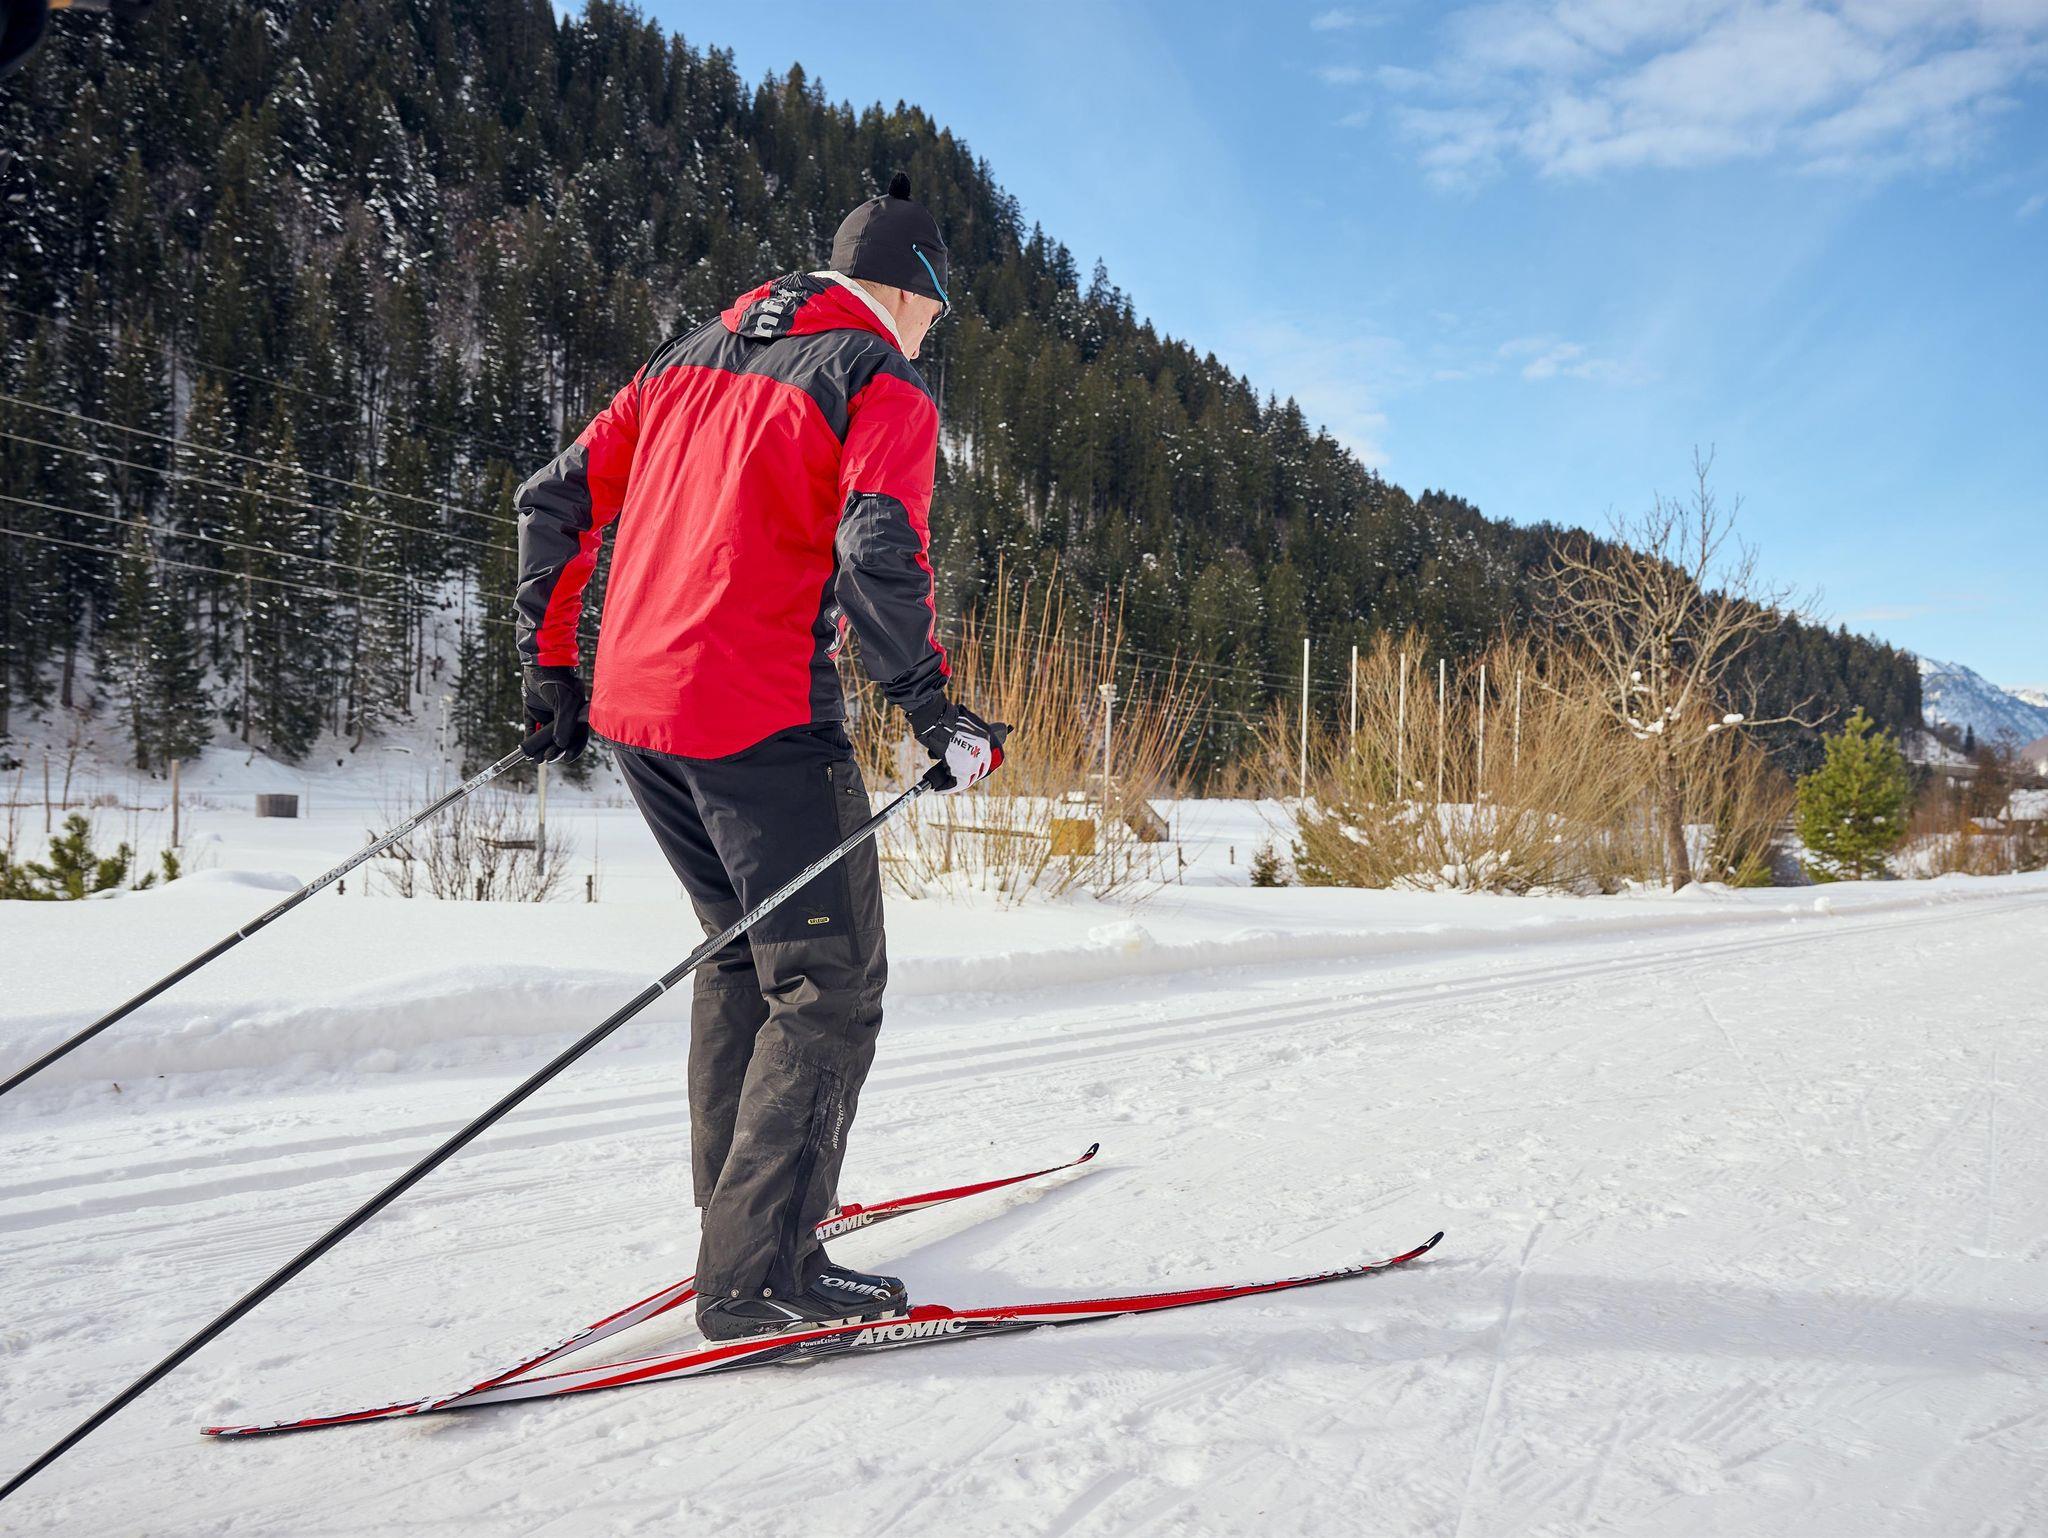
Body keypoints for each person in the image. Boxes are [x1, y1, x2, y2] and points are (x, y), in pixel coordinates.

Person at [511, 173, 1001, 1340]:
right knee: (827, 988)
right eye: (935, 310)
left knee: (742, 959)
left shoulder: (684, 356)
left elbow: (554, 499)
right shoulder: (876, 377)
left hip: (639, 713)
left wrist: (552, 665)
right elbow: (878, 545)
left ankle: (737, 1226)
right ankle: (760, 1270)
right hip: (758, 718)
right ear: (907, 289)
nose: (931, 332)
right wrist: (931, 709)